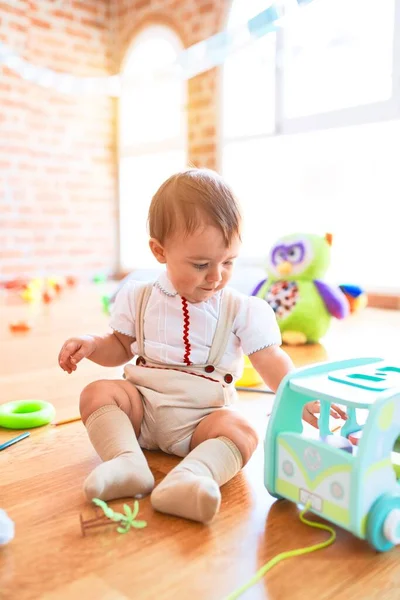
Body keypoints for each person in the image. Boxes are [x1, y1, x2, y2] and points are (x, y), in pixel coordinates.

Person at [58, 168, 345, 524]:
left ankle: (191, 477)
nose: (216, 276)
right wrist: (91, 345)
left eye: (228, 262)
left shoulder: (242, 308)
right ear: (159, 251)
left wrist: (301, 395)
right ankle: (126, 461)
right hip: (142, 409)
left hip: (202, 420)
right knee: (96, 393)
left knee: (243, 431)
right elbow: (119, 346)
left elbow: (270, 358)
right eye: (200, 264)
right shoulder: (139, 296)